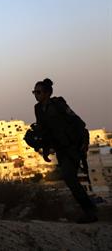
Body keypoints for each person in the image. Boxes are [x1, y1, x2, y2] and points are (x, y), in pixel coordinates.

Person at [32, 78, 98, 223]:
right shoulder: (38, 109)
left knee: (69, 177)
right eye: (34, 92)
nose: (36, 95)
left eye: (39, 92)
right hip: (60, 149)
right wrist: (44, 149)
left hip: (72, 147)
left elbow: (78, 122)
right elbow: (44, 131)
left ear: (47, 93)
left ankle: (90, 211)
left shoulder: (58, 104)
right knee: (70, 180)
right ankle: (89, 210)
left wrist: (85, 143)